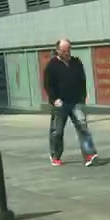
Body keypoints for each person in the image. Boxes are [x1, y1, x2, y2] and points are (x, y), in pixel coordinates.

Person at [42, 38, 99, 167]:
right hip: (60, 103)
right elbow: (48, 84)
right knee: (57, 131)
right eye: (64, 51)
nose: (67, 53)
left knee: (83, 127)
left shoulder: (76, 62)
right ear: (58, 50)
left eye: (68, 49)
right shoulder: (52, 65)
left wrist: (83, 96)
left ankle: (90, 154)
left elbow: (82, 80)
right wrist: (54, 99)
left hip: (75, 101)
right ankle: (55, 155)